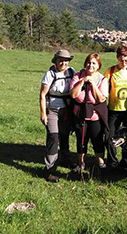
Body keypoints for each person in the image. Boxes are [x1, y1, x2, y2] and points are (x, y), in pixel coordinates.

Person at [39, 49, 76, 183]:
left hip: (66, 110)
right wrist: (43, 113)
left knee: (65, 136)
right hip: (52, 110)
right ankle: (49, 170)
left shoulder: (72, 72)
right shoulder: (49, 74)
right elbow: (43, 94)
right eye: (61, 60)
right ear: (56, 61)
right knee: (53, 138)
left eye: (66, 60)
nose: (63, 63)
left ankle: (66, 159)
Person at [70, 52, 108, 172]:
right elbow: (73, 94)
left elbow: (101, 99)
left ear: (98, 66)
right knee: (81, 138)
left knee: (97, 139)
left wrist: (92, 84)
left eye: (93, 63)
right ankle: (81, 162)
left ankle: (101, 163)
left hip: (95, 115)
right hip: (80, 114)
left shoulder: (102, 79)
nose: (90, 65)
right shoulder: (78, 75)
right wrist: (82, 81)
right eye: (88, 62)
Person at [104, 45, 127, 168]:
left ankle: (126, 162)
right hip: (113, 110)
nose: (124, 62)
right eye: (121, 59)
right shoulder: (110, 71)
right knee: (110, 138)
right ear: (117, 58)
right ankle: (112, 162)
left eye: (126, 59)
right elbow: (103, 88)